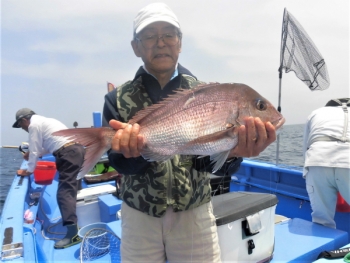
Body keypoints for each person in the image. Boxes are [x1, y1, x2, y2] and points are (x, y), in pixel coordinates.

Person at [102, 3, 276, 262]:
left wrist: (233, 154)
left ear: (180, 43)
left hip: (194, 214)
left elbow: (208, 163)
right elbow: (118, 164)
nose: (161, 43)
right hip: (139, 216)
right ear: (136, 47)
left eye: (169, 35)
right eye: (150, 36)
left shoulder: (205, 94)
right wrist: (132, 151)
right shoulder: (116, 98)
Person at [13, 108, 85, 249]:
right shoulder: (47, 121)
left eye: (21, 126)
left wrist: (29, 170)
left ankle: (72, 234)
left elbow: (34, 149)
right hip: (77, 150)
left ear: (23, 120)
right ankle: (79, 221)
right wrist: (34, 154)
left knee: (64, 193)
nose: (23, 129)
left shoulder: (34, 125)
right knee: (73, 189)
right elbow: (49, 146)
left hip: (68, 154)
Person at [303, 98, 350, 229]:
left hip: (317, 161)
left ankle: (325, 248)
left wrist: (307, 172)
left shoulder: (316, 113)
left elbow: (306, 147)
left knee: (322, 221)